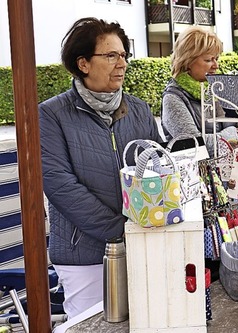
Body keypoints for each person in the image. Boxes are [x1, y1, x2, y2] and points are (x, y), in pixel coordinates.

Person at [39, 17, 162, 319]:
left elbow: (159, 167)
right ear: (83, 63)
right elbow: (59, 186)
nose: (121, 63)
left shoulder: (139, 109)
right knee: (91, 324)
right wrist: (121, 230)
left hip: (142, 245)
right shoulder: (51, 114)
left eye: (123, 55)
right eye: (110, 55)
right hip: (85, 255)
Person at [161, 25, 225, 155]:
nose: (216, 66)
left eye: (216, 59)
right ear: (187, 61)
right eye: (208, 60)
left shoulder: (213, 90)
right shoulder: (173, 98)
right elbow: (195, 145)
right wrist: (233, 136)